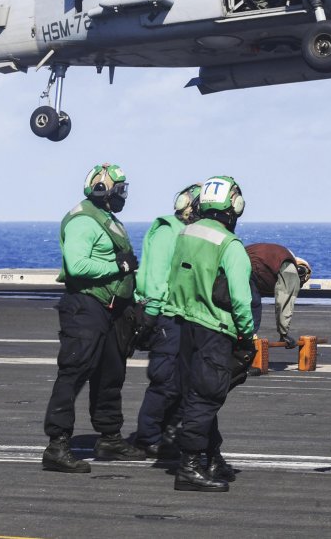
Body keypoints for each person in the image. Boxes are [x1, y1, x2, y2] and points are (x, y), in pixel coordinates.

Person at [42, 163, 146, 472]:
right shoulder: (83, 221)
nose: (123, 196)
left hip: (112, 309)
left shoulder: (106, 218)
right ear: (104, 190)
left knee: (110, 373)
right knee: (74, 372)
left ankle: (110, 437)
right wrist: (120, 269)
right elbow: (77, 266)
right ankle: (57, 445)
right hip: (86, 307)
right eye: (120, 190)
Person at [166, 175, 256, 492]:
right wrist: (247, 336)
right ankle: (190, 467)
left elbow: (173, 278)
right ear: (235, 205)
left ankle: (212, 457)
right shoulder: (230, 246)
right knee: (206, 397)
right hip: (215, 331)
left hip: (184, 326)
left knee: (198, 394)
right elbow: (242, 301)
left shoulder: (186, 233)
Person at [131, 183, 202, 458]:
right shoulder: (167, 231)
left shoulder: (189, 233)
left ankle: (168, 433)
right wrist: (151, 313)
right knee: (165, 381)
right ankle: (147, 437)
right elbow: (157, 276)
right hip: (165, 316)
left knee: (185, 381)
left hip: (183, 316)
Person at [245, 243, 312, 348]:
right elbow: (283, 302)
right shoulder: (290, 268)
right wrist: (283, 334)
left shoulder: (275, 258)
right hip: (252, 267)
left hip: (237, 259)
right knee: (254, 305)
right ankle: (248, 341)